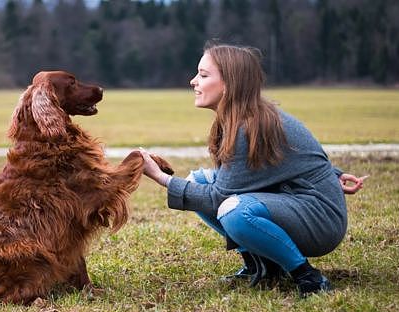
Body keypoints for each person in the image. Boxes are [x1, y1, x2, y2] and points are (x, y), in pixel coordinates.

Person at [138, 43, 366, 297]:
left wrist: (161, 178)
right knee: (198, 179)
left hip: (321, 221)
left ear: (230, 83)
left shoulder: (250, 125)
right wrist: (335, 174)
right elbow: (289, 158)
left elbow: (217, 198)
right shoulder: (245, 117)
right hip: (294, 200)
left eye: (203, 75)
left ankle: (307, 276)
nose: (193, 81)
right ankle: (262, 264)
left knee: (233, 210)